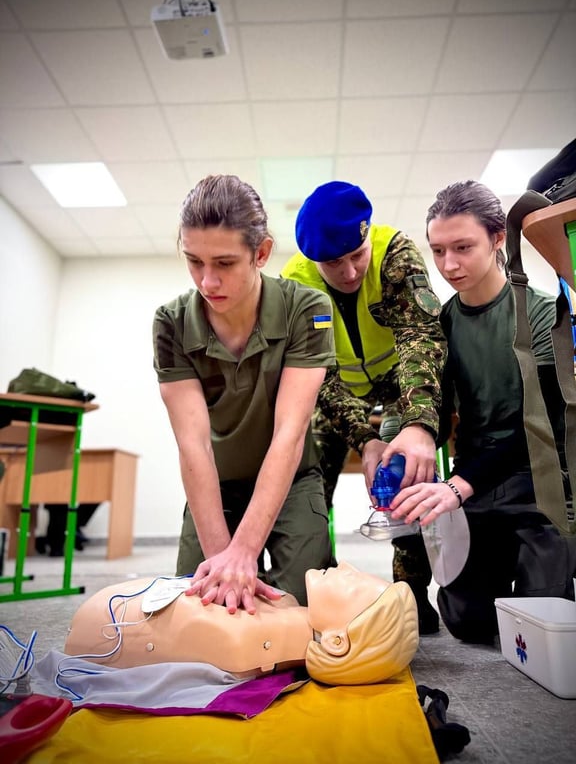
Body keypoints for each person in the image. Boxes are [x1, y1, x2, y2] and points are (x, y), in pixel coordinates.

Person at [390, 180, 576, 644]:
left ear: (497, 240)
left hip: (540, 487)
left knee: (541, 627)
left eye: (463, 247)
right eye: (438, 250)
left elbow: (546, 425)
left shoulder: (540, 315)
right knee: (468, 623)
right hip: (476, 489)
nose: (449, 265)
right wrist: (397, 442)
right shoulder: (440, 327)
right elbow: (425, 402)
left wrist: (459, 484)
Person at [152, 175, 336, 614]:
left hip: (292, 480)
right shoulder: (170, 322)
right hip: (215, 482)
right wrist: (223, 559)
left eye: (225, 263)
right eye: (193, 261)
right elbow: (191, 444)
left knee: (304, 606)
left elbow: (289, 435)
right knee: (198, 609)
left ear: (262, 253)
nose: (207, 280)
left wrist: (246, 550)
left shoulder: (309, 310)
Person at [281, 181, 446, 634]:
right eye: (334, 263)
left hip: (399, 381)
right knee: (307, 473)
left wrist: (417, 425)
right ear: (315, 260)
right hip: (336, 390)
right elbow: (317, 379)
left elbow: (420, 339)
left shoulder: (394, 251)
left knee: (405, 470)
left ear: (366, 232)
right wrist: (364, 441)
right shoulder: (294, 284)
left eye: (356, 254)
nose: (351, 272)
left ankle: (410, 593)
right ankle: (318, 585)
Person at [63, 561, 419, 685]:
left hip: (101, 625)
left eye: (354, 583)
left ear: (337, 641)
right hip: (106, 614)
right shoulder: (287, 606)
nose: (347, 568)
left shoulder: (242, 642)